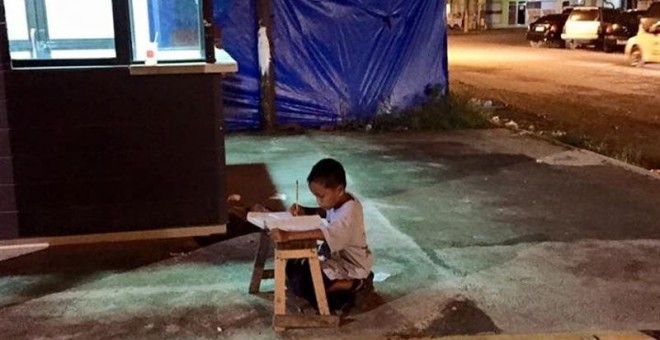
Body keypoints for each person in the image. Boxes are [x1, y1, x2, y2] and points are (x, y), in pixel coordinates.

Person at [269, 158, 374, 312]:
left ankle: (358, 284)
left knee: (315, 293)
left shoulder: (349, 214)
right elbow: (325, 211)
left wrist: (288, 235)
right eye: (315, 196)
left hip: (353, 267)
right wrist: (305, 210)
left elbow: (323, 233)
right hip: (336, 260)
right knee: (293, 268)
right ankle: (339, 285)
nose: (318, 201)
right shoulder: (341, 199)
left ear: (339, 190)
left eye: (321, 196)